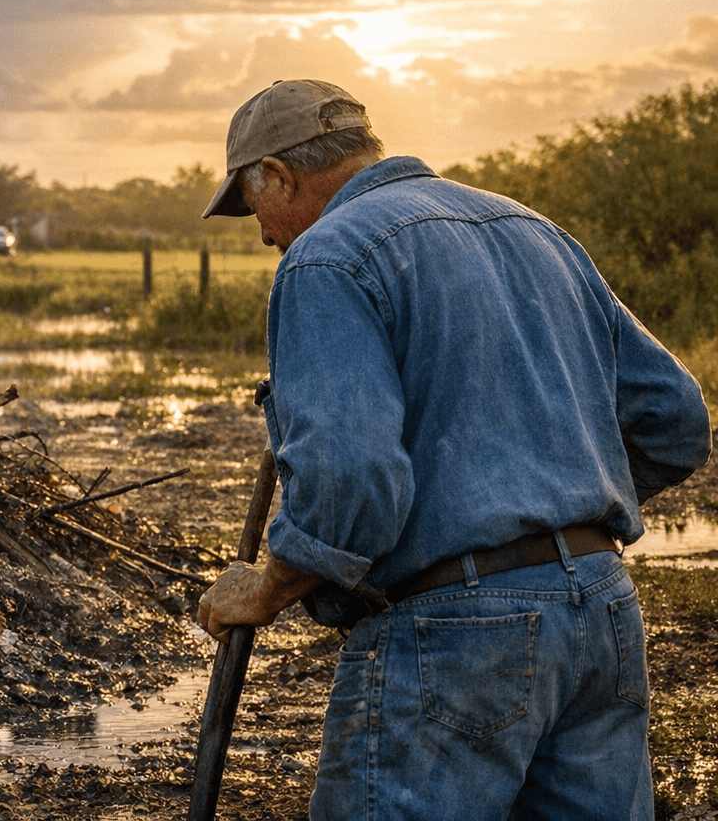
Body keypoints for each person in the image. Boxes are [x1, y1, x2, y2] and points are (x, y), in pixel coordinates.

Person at [195, 79, 711, 820]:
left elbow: (350, 474)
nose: (264, 235)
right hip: (602, 615)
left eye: (254, 209)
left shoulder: (326, 258)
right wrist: (555, 507)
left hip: (455, 635)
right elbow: (676, 419)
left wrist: (272, 583)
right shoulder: (535, 229)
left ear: (277, 173)